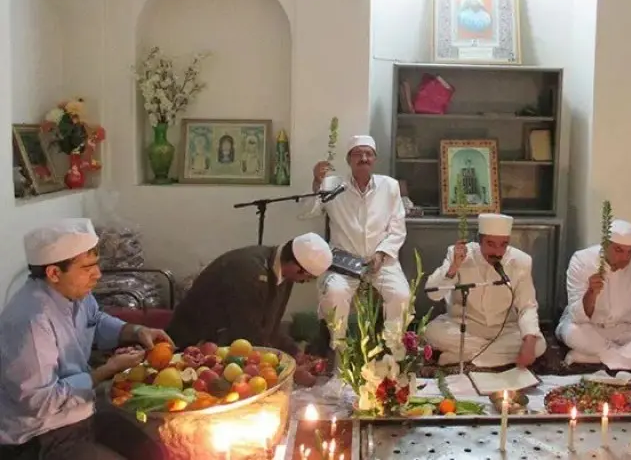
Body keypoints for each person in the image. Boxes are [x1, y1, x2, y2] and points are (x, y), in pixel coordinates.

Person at [0, 218, 172, 460]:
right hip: (39, 435)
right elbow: (39, 402)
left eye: (97, 265)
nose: (98, 275)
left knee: (156, 451)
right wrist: (105, 371)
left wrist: (134, 331)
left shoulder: (77, 295)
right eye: (87, 268)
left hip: (82, 410)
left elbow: (96, 321)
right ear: (53, 273)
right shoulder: (31, 321)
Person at [166, 233, 333, 386]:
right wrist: (290, 372)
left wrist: (295, 353)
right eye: (307, 278)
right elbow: (246, 336)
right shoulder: (248, 271)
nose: (304, 282)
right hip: (192, 350)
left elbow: (270, 326)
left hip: (226, 350)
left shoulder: (285, 272)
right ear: (297, 268)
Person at [302, 135, 410, 348]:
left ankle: (391, 350)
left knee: (401, 295)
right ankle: (339, 351)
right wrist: (316, 182)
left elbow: (398, 228)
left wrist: (382, 254)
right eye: (357, 154)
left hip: (381, 260)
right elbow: (307, 212)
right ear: (348, 160)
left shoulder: (389, 186)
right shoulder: (332, 185)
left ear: (375, 159)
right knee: (335, 293)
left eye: (368, 154)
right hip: (344, 261)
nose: (363, 158)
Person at [424, 213, 546, 368]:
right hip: (465, 327)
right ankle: (491, 356)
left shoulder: (520, 261)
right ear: (479, 241)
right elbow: (433, 293)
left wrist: (529, 341)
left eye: (503, 244)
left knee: (538, 344)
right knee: (432, 332)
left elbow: (527, 306)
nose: (497, 252)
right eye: (491, 244)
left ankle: (464, 356)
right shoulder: (460, 255)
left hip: (504, 330)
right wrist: (454, 267)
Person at [556, 220, 631, 370]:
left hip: (625, 329)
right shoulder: (582, 260)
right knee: (572, 333)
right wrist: (591, 293)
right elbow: (577, 316)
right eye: (619, 250)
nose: (625, 258)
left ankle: (593, 358)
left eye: (630, 252)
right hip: (589, 328)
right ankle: (625, 357)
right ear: (605, 245)